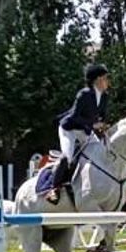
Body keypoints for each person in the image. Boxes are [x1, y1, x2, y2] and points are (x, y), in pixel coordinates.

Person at [46, 63, 111, 204]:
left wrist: (103, 127)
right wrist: (93, 125)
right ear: (98, 79)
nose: (108, 81)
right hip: (69, 129)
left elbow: (102, 117)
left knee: (101, 152)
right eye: (106, 78)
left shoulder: (104, 96)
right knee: (67, 157)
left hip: (84, 130)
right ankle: (53, 189)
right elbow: (75, 117)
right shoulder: (84, 94)